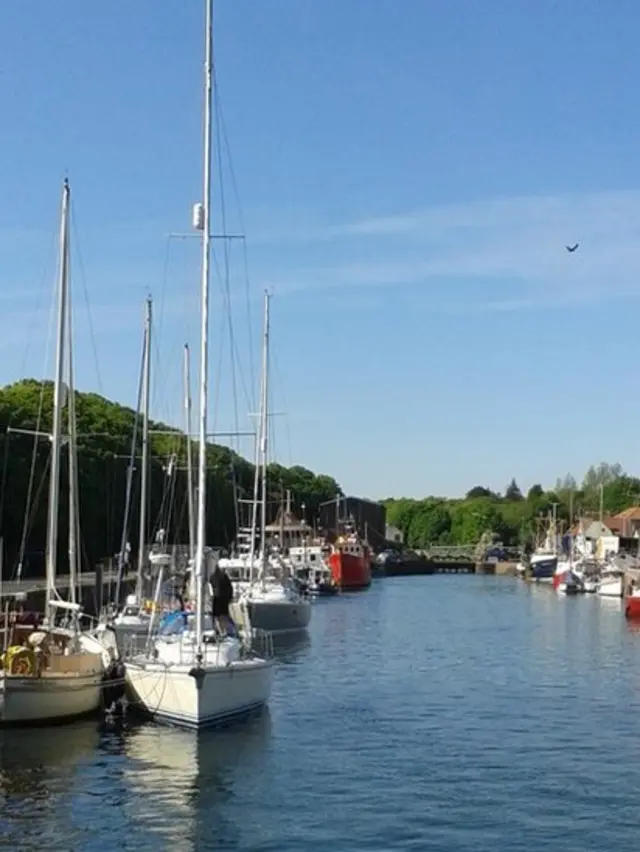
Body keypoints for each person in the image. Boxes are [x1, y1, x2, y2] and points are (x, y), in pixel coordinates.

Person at [210, 564, 235, 636]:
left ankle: (221, 631)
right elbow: (230, 588)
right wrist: (230, 598)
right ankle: (224, 632)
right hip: (223, 599)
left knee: (218, 617)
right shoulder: (224, 576)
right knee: (223, 616)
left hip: (217, 599)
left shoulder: (212, 577)